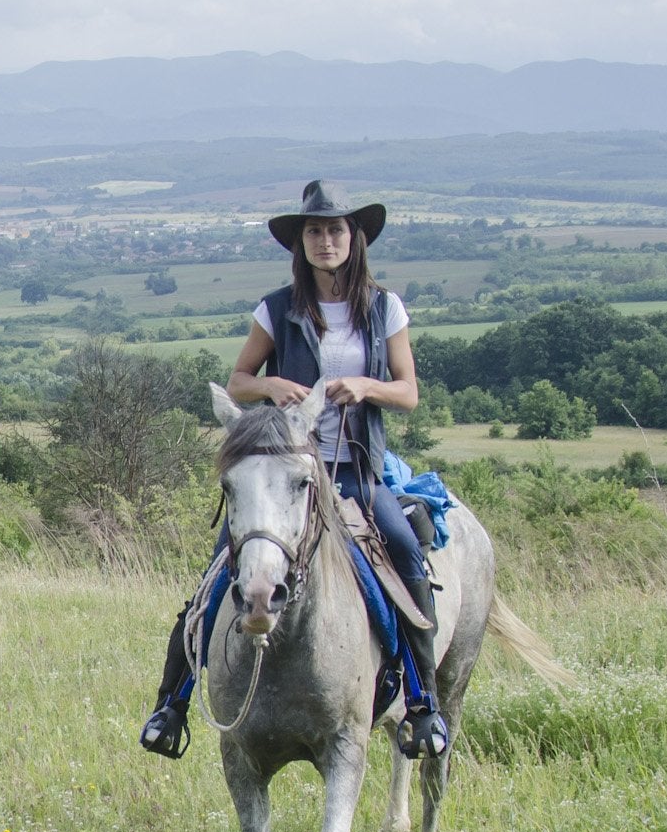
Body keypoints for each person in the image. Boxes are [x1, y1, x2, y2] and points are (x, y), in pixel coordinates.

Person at [139, 181, 449, 760]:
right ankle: (172, 702)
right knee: (215, 580)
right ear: (300, 243)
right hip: (284, 473)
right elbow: (238, 382)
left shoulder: (385, 308)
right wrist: (272, 385)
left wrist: (365, 386)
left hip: (353, 470)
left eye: (335, 230)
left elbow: (408, 393)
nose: (325, 240)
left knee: (405, 553)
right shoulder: (277, 309)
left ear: (354, 239)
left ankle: (423, 702)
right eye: (314, 231)